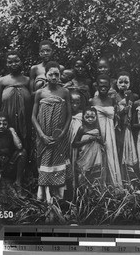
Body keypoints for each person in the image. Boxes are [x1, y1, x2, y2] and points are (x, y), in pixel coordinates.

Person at [32, 61, 72, 204]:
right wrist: (42, 135)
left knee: (58, 164)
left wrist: (62, 134)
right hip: (44, 137)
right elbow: (33, 116)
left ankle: (59, 199)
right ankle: (45, 199)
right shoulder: (39, 93)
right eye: (51, 74)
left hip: (59, 137)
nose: (54, 77)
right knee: (45, 163)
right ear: (46, 75)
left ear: (60, 76)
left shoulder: (65, 92)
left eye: (57, 74)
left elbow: (69, 115)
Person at [0, 51, 32, 157]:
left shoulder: (27, 81)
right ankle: (9, 172)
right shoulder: (2, 81)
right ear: (6, 64)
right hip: (8, 120)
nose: (14, 64)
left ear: (21, 62)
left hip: (26, 120)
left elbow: (33, 102)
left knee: (26, 145)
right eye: (10, 62)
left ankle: (26, 170)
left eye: (16, 61)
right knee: (9, 145)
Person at [90, 74, 122, 188]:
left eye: (106, 86)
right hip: (98, 131)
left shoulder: (112, 100)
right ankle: (98, 186)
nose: (103, 88)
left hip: (110, 132)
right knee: (98, 156)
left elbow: (116, 118)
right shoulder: (92, 101)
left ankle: (112, 186)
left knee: (110, 154)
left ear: (110, 87)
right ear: (96, 86)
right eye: (101, 86)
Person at [0, 112, 27, 194]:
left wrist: (13, 132)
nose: (1, 126)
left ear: (8, 124)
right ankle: (0, 183)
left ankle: (18, 182)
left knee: (23, 153)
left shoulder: (9, 133)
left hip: (9, 165)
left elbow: (19, 147)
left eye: (4, 124)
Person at [115, 71, 139, 182]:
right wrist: (122, 112)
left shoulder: (134, 97)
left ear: (130, 84)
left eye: (126, 82)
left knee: (129, 153)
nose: (123, 84)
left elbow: (135, 115)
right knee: (119, 153)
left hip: (129, 129)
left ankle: (130, 181)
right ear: (116, 83)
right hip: (118, 129)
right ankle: (120, 180)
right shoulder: (113, 97)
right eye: (121, 82)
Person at [72, 107, 105, 185]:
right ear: (83, 116)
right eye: (87, 117)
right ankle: (81, 193)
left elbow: (102, 142)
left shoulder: (97, 128)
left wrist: (99, 139)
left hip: (96, 155)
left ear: (96, 117)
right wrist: (88, 140)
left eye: (92, 117)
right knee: (83, 174)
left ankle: (93, 194)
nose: (90, 119)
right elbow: (74, 144)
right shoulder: (82, 128)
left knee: (95, 176)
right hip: (84, 156)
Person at [68, 91, 83, 190]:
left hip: (78, 147)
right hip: (66, 147)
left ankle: (77, 192)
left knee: (76, 167)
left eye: (77, 102)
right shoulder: (65, 114)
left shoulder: (82, 115)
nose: (74, 105)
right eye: (72, 102)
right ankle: (66, 194)